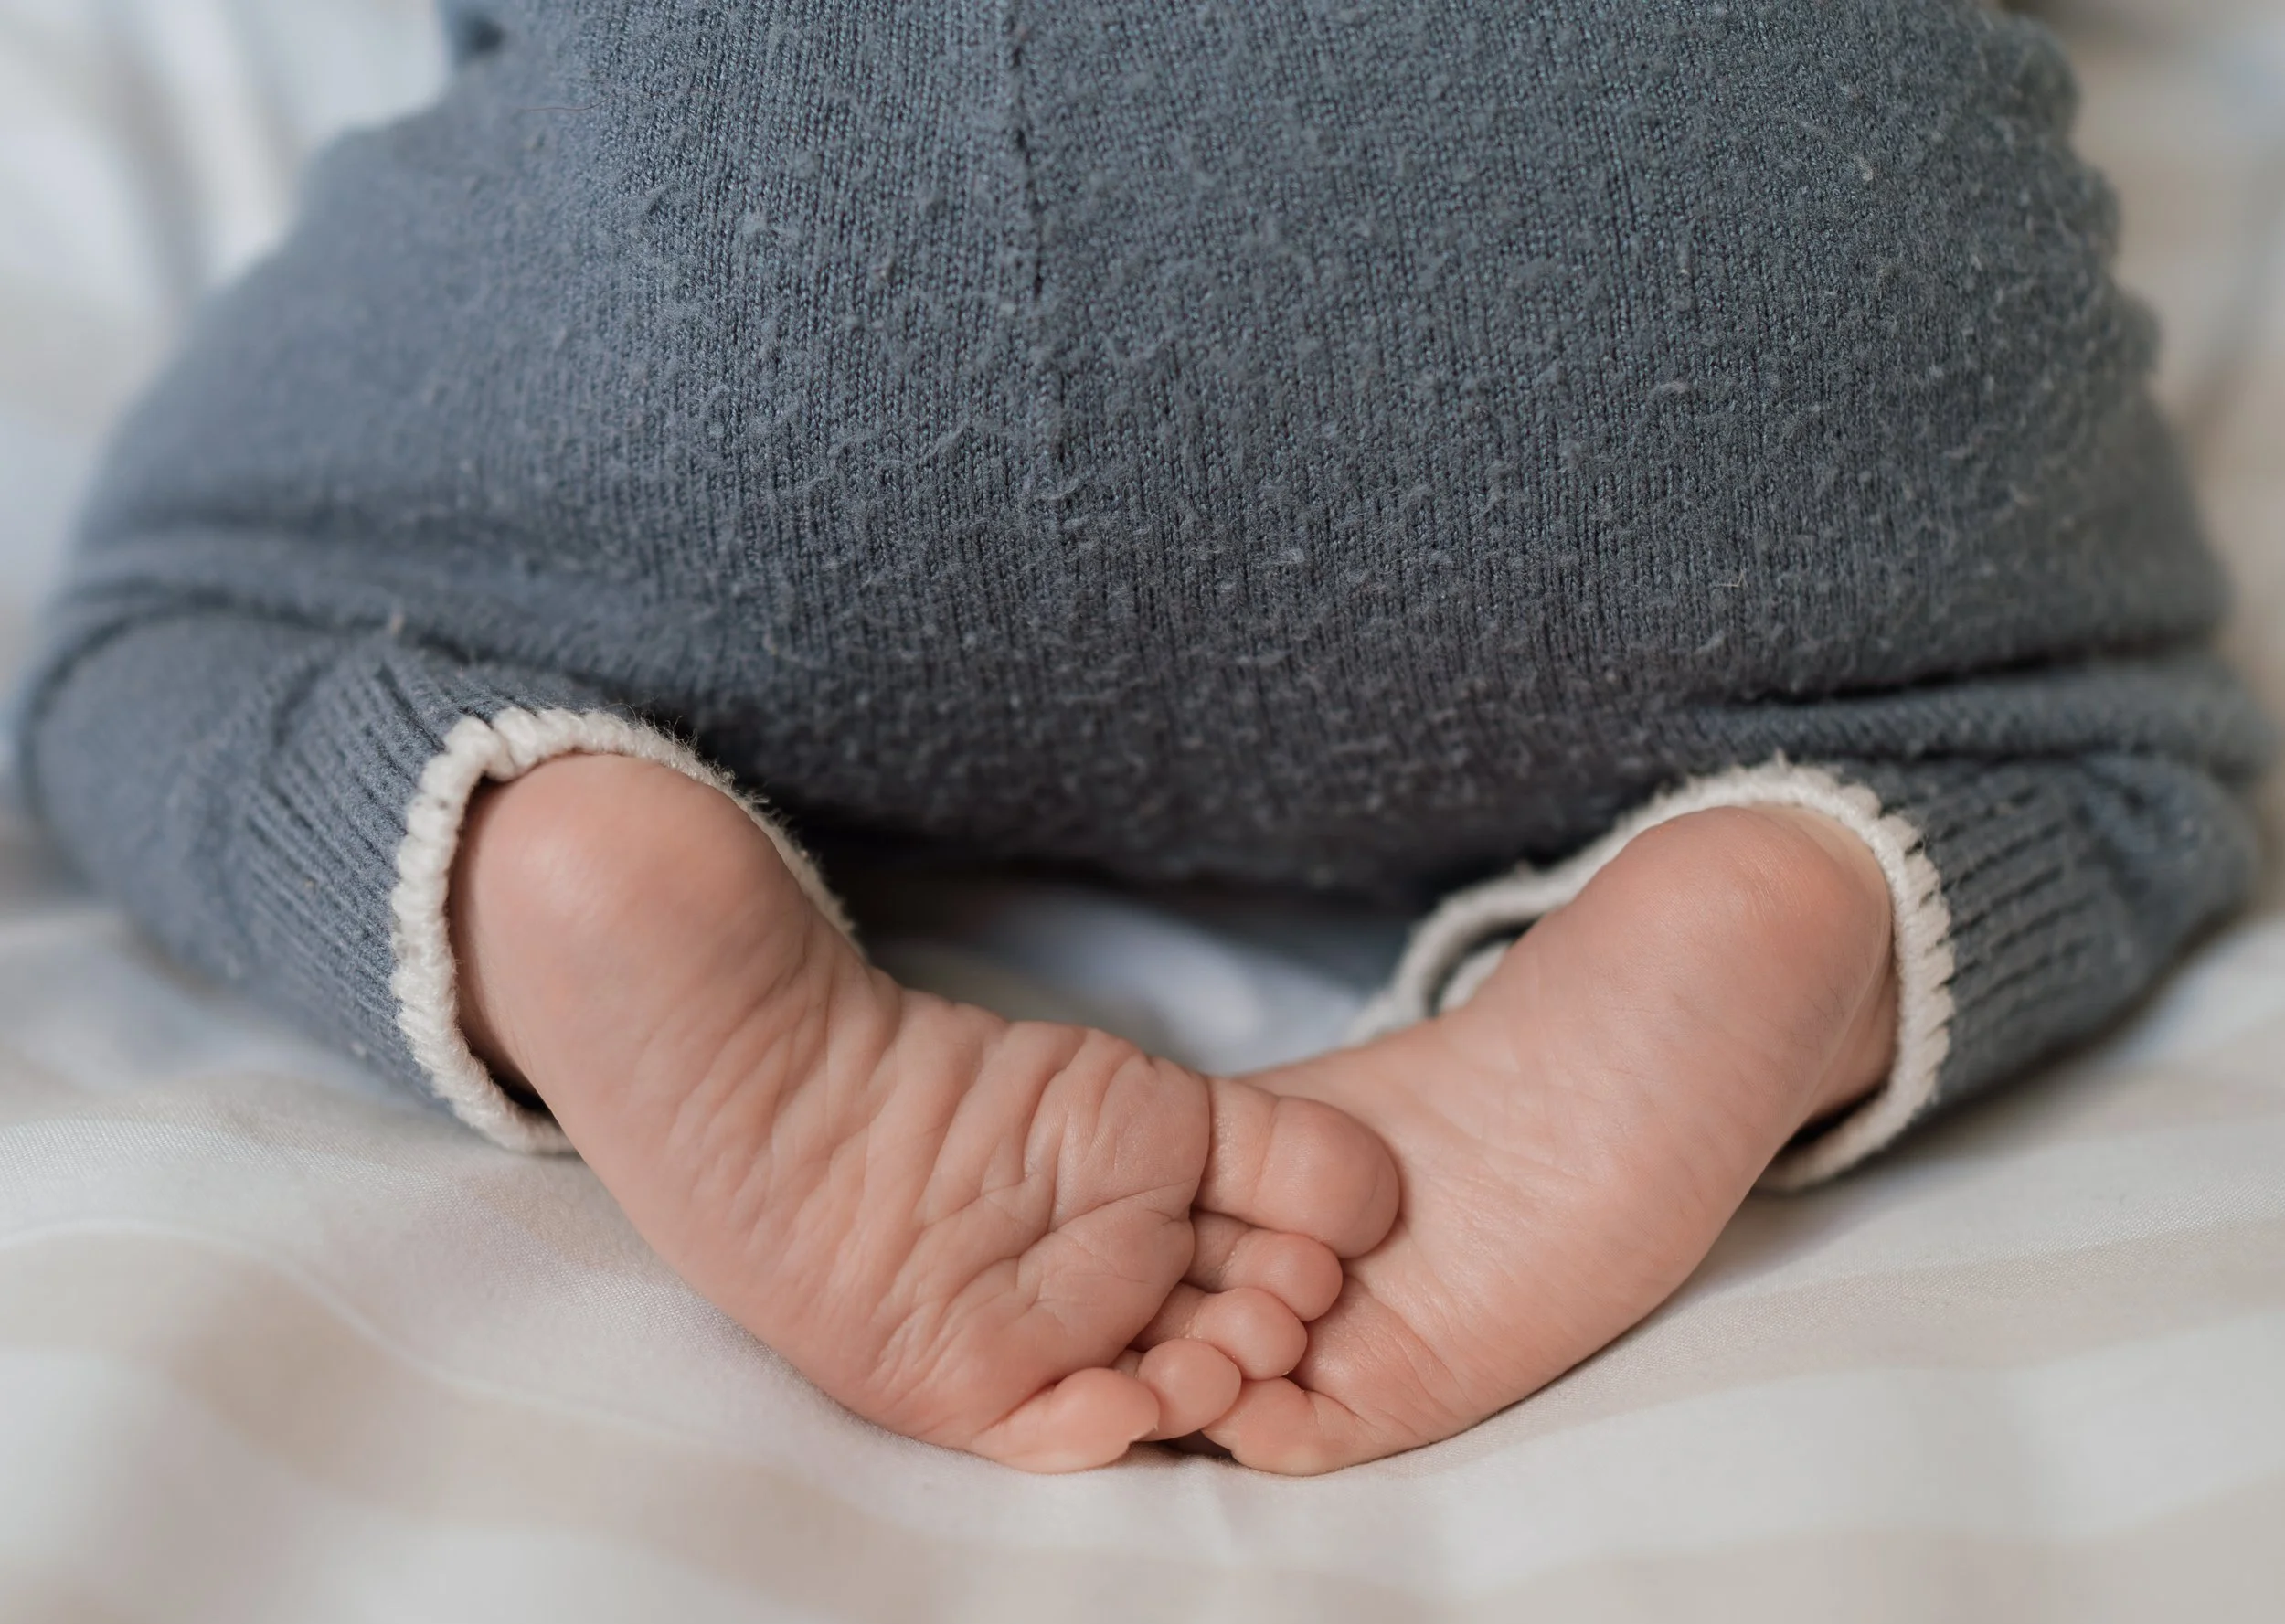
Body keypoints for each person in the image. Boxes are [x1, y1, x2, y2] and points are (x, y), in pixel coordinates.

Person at [18, 0, 2269, 1471]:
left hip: (758, 212)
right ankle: (1780, 910)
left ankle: (544, 862)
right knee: (2116, 755)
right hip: (1707, 190)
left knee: (143, 644)